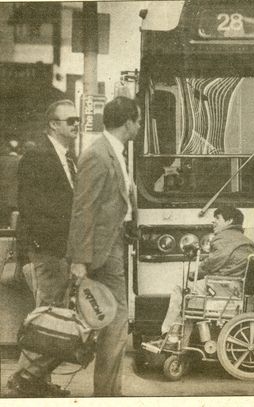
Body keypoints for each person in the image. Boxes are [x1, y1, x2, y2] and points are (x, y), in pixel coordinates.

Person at [67, 96, 139, 396]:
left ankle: (108, 392)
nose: (139, 126)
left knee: (110, 321)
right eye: (138, 120)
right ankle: (108, 395)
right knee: (115, 320)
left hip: (112, 246)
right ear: (127, 123)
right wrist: (80, 259)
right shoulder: (98, 154)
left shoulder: (113, 151)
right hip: (103, 252)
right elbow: (83, 208)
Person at [7, 100, 79, 397]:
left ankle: (33, 380)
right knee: (47, 319)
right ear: (53, 124)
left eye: (77, 120)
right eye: (70, 120)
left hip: (60, 252)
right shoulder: (38, 156)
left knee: (52, 318)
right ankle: (24, 381)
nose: (76, 124)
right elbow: (31, 206)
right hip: (49, 252)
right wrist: (45, 247)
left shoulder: (67, 157)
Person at [160, 206, 254, 338]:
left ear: (229, 221)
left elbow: (214, 261)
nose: (214, 222)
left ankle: (168, 333)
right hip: (236, 290)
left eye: (217, 218)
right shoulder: (248, 242)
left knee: (180, 288)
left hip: (221, 290)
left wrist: (195, 274)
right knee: (188, 295)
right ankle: (177, 337)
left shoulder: (222, 238)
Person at [0, 140, 20, 228]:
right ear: (19, 149)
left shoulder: (1, 160)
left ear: (8, 148)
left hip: (2, 198)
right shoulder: (21, 161)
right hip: (15, 198)